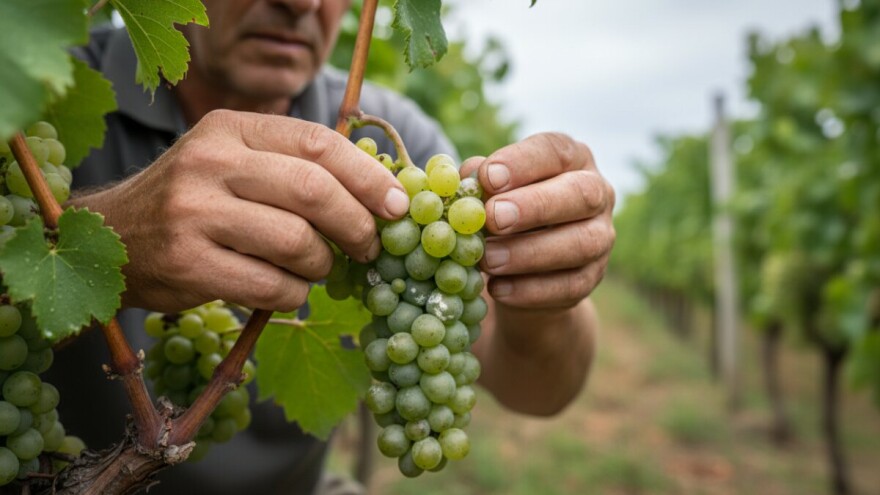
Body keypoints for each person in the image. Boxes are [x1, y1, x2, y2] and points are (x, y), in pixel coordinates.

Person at [49, 0, 615, 493]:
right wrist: (96, 243)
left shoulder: (391, 143)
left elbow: (539, 392)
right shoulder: (37, 95)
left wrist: (541, 299)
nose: (302, 1)